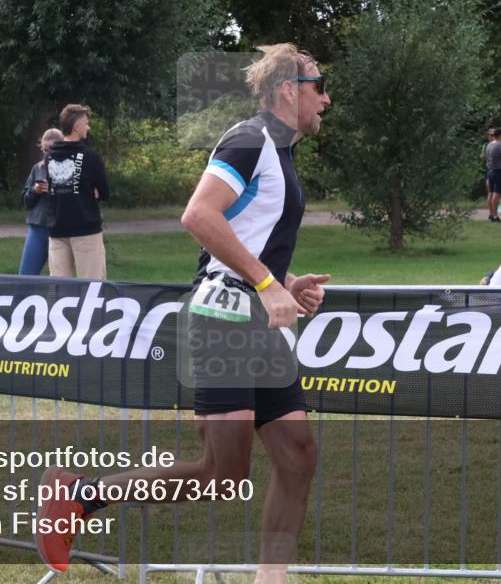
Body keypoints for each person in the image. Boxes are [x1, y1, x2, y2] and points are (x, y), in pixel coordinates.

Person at [35, 43, 332, 583]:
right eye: (319, 85)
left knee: (298, 454)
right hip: (223, 321)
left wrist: (287, 282)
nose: (326, 99)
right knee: (222, 475)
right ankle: (79, 495)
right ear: (289, 88)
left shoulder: (279, 152)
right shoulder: (250, 140)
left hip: (254, 320)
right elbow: (198, 216)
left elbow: (238, 236)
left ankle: (272, 580)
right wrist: (268, 284)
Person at [46, 104, 110, 279]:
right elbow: (104, 191)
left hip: (57, 228)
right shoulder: (90, 157)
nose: (88, 127)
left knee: (58, 287)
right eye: (86, 123)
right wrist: (91, 191)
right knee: (93, 286)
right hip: (85, 229)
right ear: (76, 127)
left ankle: (56, 307)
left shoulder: (49, 156)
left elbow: (52, 189)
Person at [19, 129, 60, 275]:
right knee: (26, 275)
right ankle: (24, 297)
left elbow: (76, 199)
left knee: (57, 277)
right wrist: (34, 191)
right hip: (38, 225)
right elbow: (26, 201)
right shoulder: (38, 168)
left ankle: (53, 298)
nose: (47, 153)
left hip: (60, 227)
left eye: (51, 149)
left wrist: (54, 190)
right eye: (44, 149)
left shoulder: (71, 168)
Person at [486, 127, 501, 222]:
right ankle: (495, 215)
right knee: (497, 193)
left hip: (490, 170)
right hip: (499, 171)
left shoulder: (489, 145)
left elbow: (487, 157)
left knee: (491, 193)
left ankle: (491, 214)